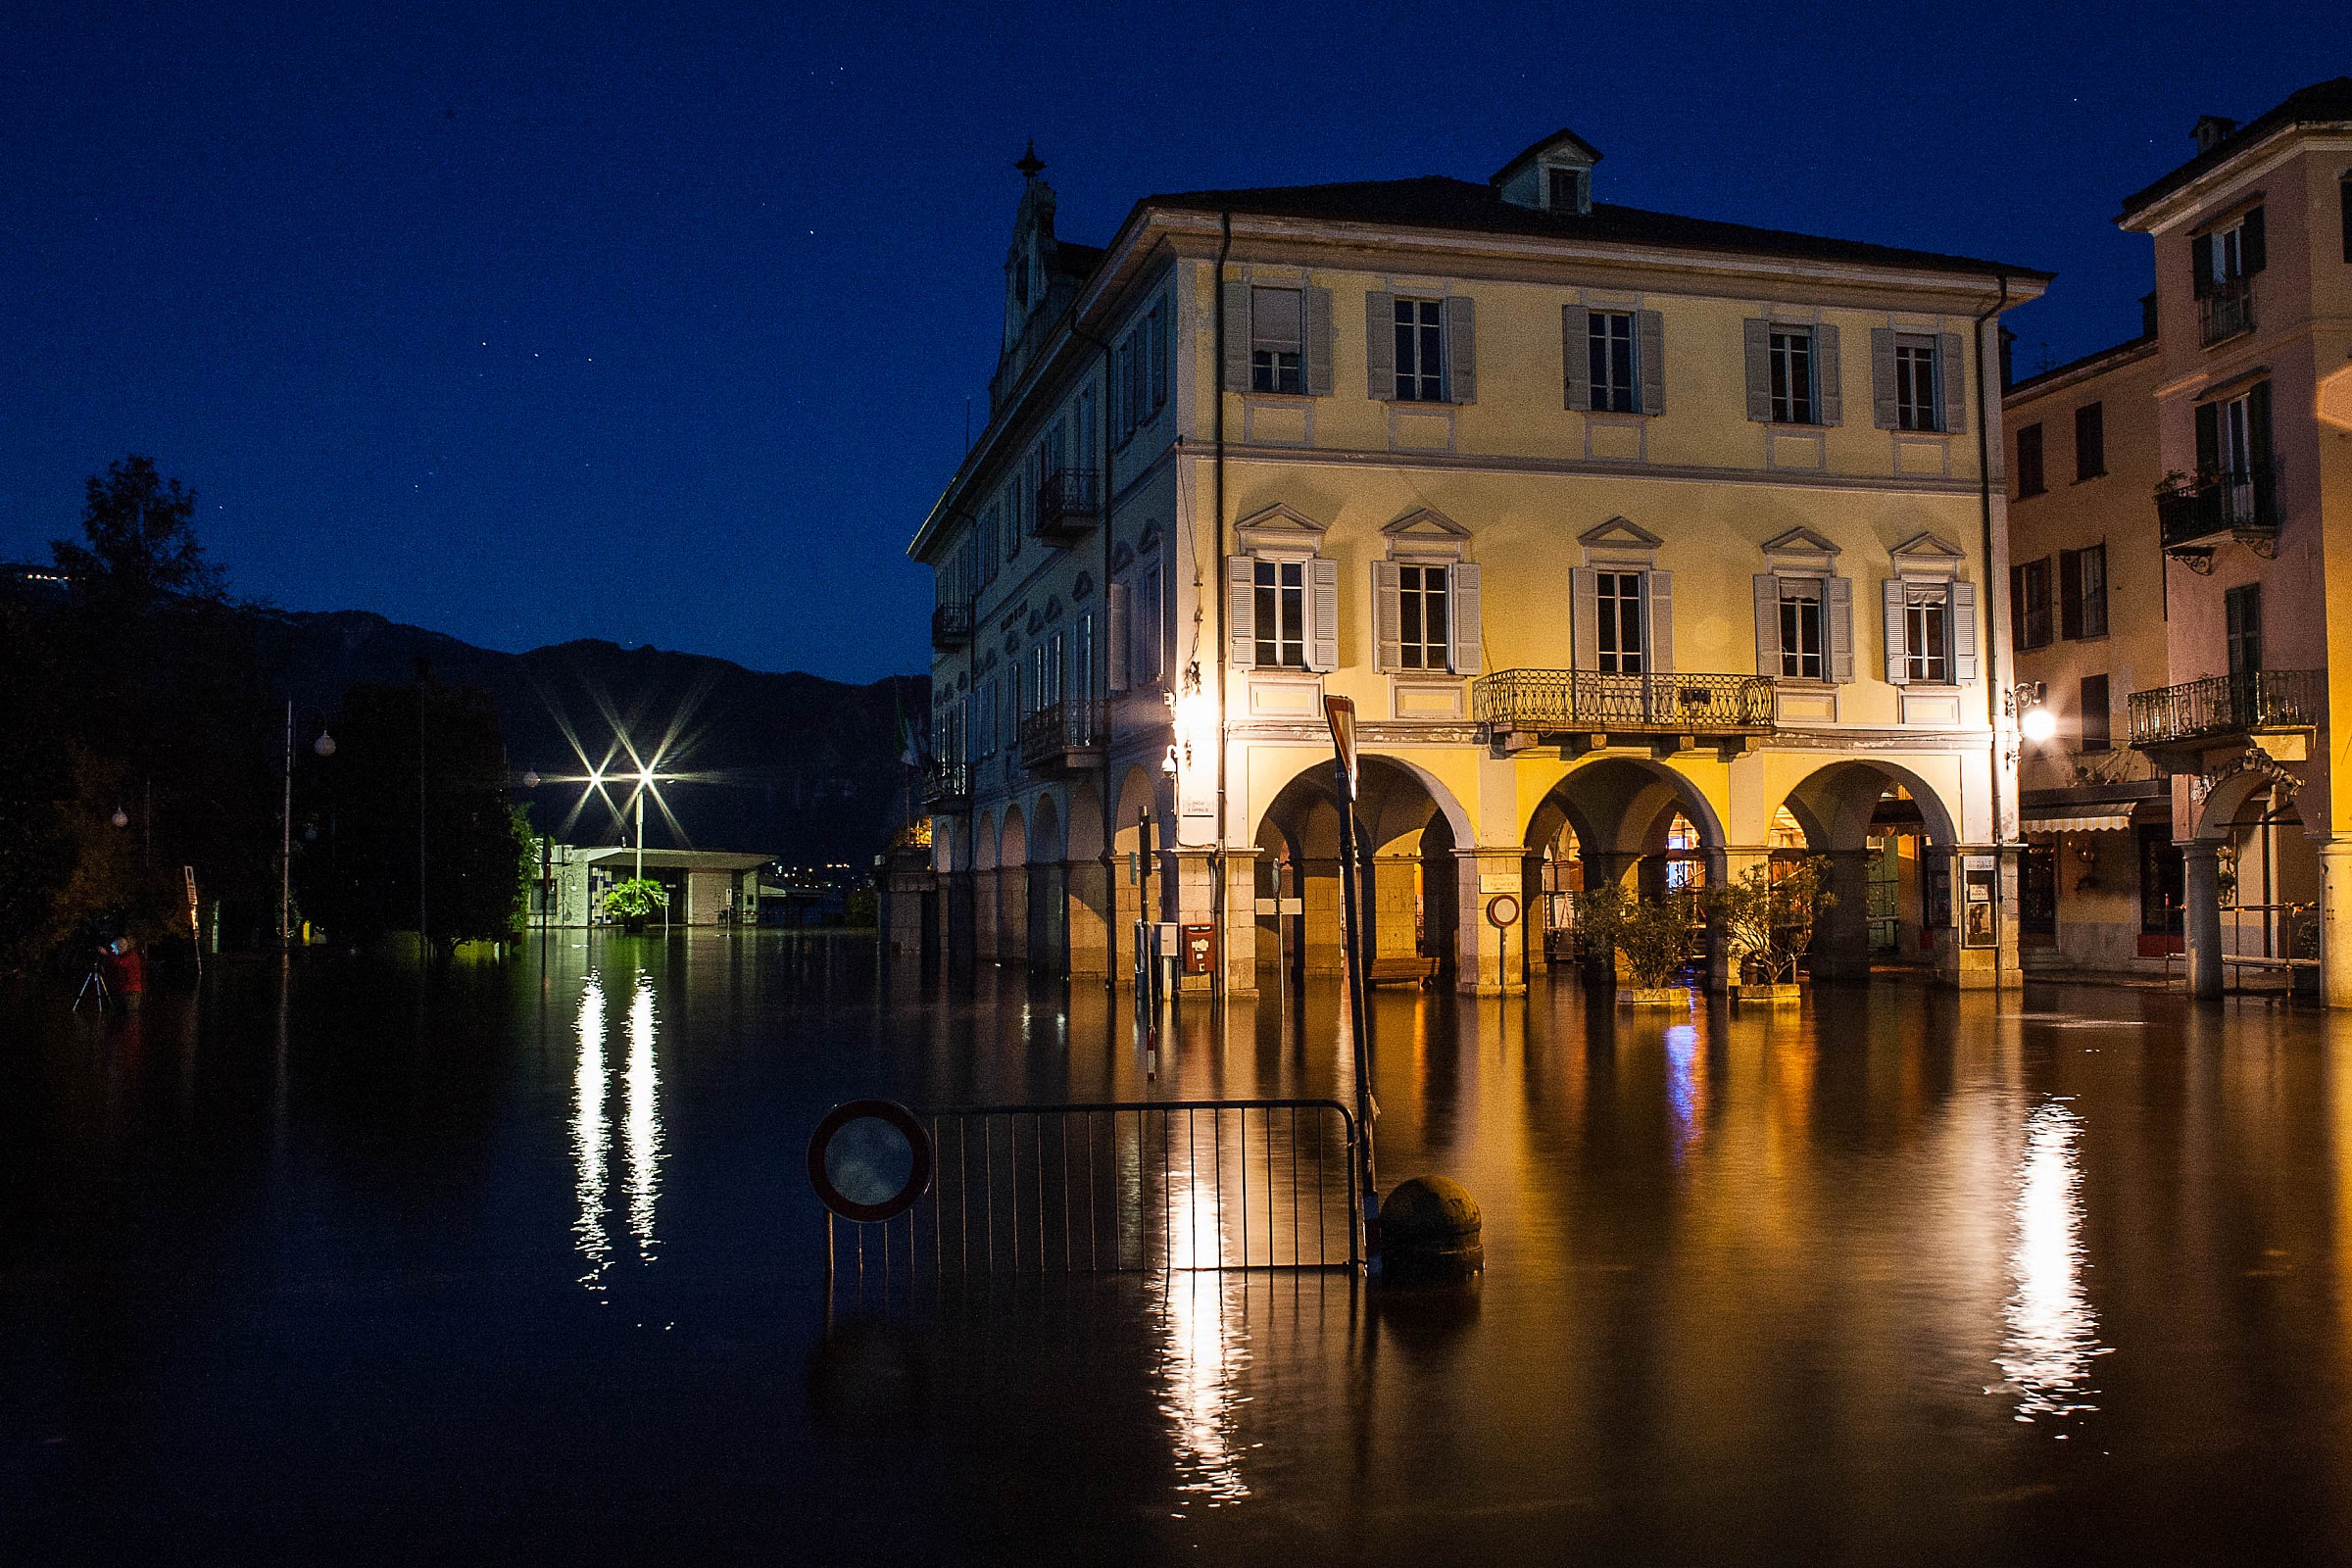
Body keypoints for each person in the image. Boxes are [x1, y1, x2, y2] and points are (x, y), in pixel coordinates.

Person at [103, 937, 145, 1013]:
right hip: (123, 990)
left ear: (121, 947)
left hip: (131, 992)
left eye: (114, 948)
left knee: (129, 1015)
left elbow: (121, 963)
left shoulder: (132, 956)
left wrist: (107, 955)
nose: (113, 950)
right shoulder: (122, 956)